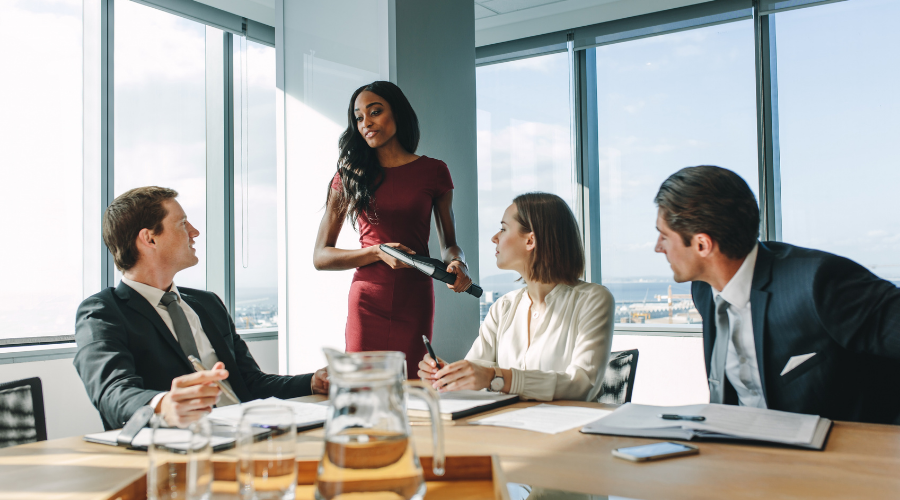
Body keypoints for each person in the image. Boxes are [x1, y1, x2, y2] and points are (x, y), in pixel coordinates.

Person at [654, 165, 900, 424]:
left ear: (702, 244)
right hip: (738, 447)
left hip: (836, 454)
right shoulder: (704, 289)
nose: (658, 247)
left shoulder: (818, 282)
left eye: (664, 236)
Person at [74, 187, 329, 430]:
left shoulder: (207, 304)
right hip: (180, 450)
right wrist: (164, 405)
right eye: (183, 224)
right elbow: (112, 393)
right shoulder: (101, 313)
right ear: (150, 238)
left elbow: (251, 382)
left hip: (250, 434)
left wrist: (312, 382)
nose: (194, 232)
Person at [313, 81, 473, 376]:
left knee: (413, 386)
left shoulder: (434, 171)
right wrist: (377, 252)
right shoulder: (348, 176)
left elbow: (449, 243)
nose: (366, 123)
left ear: (398, 114)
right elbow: (321, 257)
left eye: (375, 112)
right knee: (361, 390)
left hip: (415, 299)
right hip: (367, 301)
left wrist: (458, 263)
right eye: (359, 117)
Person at [418, 193, 614, 401]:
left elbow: (583, 385)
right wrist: (447, 376)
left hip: (565, 430)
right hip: (505, 429)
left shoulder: (593, 300)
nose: (495, 237)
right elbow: (478, 374)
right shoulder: (503, 307)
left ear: (530, 240)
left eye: (503, 229)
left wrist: (499, 378)